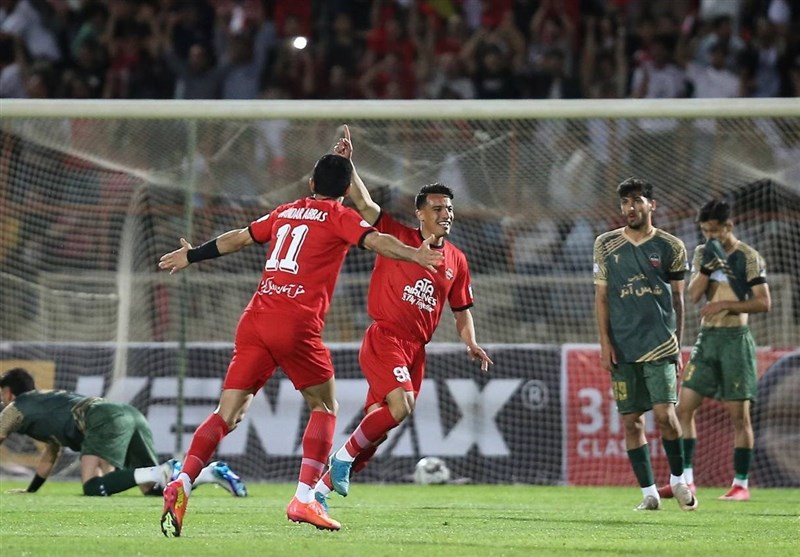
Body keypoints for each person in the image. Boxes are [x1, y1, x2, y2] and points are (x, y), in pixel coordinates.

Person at [157, 148, 444, 537]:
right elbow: (377, 242)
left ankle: (184, 480)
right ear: (345, 190)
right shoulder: (341, 216)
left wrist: (191, 255)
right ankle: (305, 497)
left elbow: (238, 239)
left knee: (228, 414)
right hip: (295, 324)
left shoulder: (285, 211)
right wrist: (414, 254)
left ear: (310, 184)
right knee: (324, 406)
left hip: (255, 319)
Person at [313, 125, 493, 506]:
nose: (446, 214)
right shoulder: (396, 235)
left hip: (415, 350)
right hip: (386, 338)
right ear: (420, 213)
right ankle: (340, 458)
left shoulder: (458, 260)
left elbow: (461, 310)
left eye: (449, 209)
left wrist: (471, 341)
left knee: (377, 433)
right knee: (402, 406)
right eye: (437, 208)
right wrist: (349, 166)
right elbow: (364, 204)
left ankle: (318, 493)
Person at [593, 177, 698, 512]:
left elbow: (678, 301)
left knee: (666, 415)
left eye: (637, 200)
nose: (630, 207)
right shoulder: (606, 244)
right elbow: (602, 298)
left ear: (651, 205)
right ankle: (649, 493)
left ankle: (679, 480)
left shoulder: (671, 246)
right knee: (631, 421)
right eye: (625, 201)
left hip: (660, 344)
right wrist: (605, 343)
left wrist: (677, 346)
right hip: (623, 346)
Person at [658, 199, 770, 502]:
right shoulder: (702, 253)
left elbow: (763, 302)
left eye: (714, 231)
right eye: (705, 231)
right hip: (707, 339)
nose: (709, 236)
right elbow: (693, 295)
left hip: (735, 340)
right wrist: (707, 266)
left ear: (728, 226)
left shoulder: (748, 257)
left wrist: (725, 304)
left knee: (739, 417)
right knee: (684, 408)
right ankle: (687, 481)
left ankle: (741, 485)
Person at [0, 367, 245, 497]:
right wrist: (31, 490)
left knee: (93, 488)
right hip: (128, 414)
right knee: (153, 489)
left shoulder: (15, 408)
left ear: (9, 392)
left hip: (101, 418)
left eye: (2, 393)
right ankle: (210, 474)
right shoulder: (44, 403)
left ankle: (163, 470)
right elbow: (50, 454)